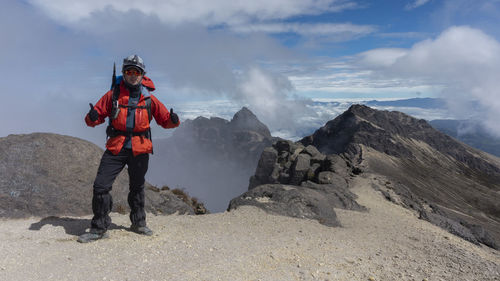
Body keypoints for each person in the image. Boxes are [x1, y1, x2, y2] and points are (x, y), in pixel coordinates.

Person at [78, 55, 180, 243]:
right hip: (116, 146)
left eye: (136, 72)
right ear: (124, 73)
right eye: (128, 71)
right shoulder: (112, 95)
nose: (132, 75)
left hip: (140, 148)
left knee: (137, 187)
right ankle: (99, 228)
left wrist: (174, 121)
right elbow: (94, 119)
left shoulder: (150, 99)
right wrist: (92, 117)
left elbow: (165, 121)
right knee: (101, 186)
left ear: (143, 75)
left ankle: (139, 223)